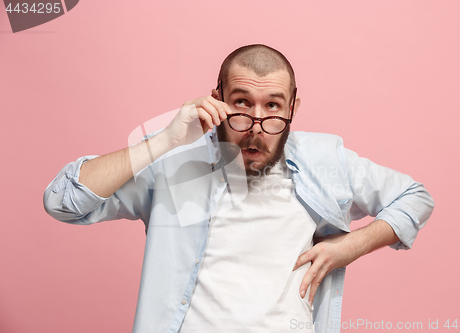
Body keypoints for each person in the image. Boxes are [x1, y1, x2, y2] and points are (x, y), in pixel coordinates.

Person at [43, 44, 434, 333]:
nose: (257, 124)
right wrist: (163, 141)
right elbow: (64, 201)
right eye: (242, 103)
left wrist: (350, 246)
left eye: (273, 107)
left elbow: (414, 197)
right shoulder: (175, 163)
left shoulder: (326, 161)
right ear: (217, 101)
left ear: (293, 107)